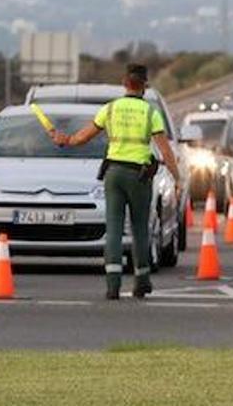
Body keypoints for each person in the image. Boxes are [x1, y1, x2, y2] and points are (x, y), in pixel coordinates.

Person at [53, 64, 180, 300]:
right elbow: (165, 150)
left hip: (113, 173)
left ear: (124, 83)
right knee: (140, 228)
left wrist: (65, 140)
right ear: (145, 86)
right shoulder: (150, 112)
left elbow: (83, 136)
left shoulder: (110, 109)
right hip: (139, 176)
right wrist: (177, 177)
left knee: (113, 228)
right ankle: (141, 282)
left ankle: (112, 286)